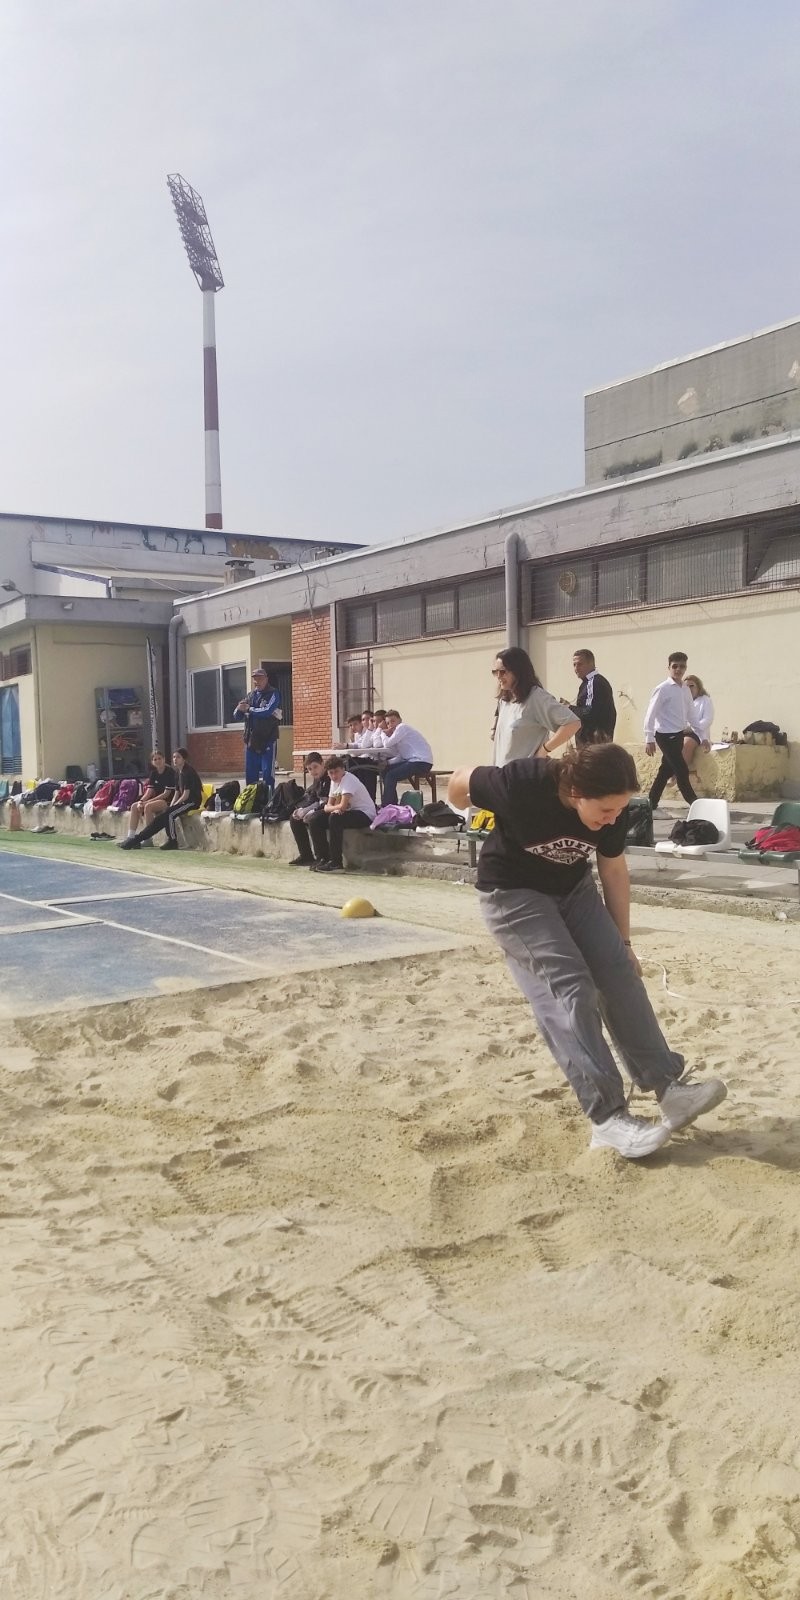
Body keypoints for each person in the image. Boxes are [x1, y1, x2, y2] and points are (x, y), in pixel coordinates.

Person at [447, 743, 726, 1159]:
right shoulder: (522, 783)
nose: (613, 819)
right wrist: (462, 806)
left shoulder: (614, 810)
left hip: (573, 890)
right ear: (577, 792)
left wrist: (624, 944)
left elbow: (612, 870)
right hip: (512, 893)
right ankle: (607, 1118)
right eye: (606, 810)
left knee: (618, 972)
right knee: (572, 988)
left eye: (619, 809)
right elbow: (459, 780)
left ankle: (668, 1089)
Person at [492, 647, 579, 766]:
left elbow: (573, 723)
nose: (498, 676)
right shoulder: (504, 700)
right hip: (502, 774)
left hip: (526, 774)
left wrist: (544, 750)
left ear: (518, 671)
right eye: (495, 672)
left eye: (502, 671)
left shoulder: (536, 698)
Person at [644, 652, 706, 809]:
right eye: (675, 666)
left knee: (665, 770)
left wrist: (703, 736)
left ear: (685, 668)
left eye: (682, 666)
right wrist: (649, 738)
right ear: (669, 667)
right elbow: (650, 714)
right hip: (664, 735)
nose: (678, 669)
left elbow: (692, 714)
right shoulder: (662, 689)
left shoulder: (685, 689)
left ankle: (651, 804)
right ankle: (695, 804)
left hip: (678, 735)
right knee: (681, 769)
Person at [119, 749, 204, 851]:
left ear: (184, 759)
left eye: (178, 757)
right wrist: (172, 806)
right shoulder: (178, 772)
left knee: (170, 814)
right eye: (174, 757)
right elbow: (177, 792)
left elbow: (186, 795)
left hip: (191, 802)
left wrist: (173, 806)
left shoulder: (188, 772)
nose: (175, 759)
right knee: (165, 815)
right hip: (183, 801)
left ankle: (172, 841)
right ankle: (135, 839)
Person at [308, 755, 377, 872]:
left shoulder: (349, 780)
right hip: (349, 812)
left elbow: (342, 806)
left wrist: (328, 808)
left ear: (343, 769)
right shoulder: (333, 781)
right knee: (314, 819)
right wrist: (329, 808)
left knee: (335, 818)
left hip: (365, 814)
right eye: (331, 773)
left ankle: (336, 862)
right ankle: (322, 858)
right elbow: (331, 803)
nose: (334, 776)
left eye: (336, 772)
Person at [232, 667, 283, 792]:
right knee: (250, 775)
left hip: (268, 739)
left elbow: (267, 711)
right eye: (255, 679)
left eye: (260, 678)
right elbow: (237, 715)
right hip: (251, 741)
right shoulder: (250, 695)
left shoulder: (273, 693)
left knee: (267, 775)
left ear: (266, 679)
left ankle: (268, 800)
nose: (257, 682)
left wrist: (249, 709)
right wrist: (239, 708)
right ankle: (251, 799)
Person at [377, 711, 434, 806]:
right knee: (385, 771)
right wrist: (388, 763)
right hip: (413, 761)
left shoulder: (402, 727)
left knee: (391, 775)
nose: (390, 725)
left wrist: (383, 733)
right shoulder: (399, 733)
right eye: (388, 723)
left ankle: (387, 805)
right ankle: (392, 803)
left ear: (400, 720)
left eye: (393, 721)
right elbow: (402, 756)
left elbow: (387, 743)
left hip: (422, 762)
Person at [123, 751, 176, 846]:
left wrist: (147, 802)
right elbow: (149, 791)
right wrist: (141, 801)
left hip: (168, 801)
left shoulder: (170, 772)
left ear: (164, 759)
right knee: (134, 806)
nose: (157, 761)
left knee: (148, 806)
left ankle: (148, 839)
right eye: (155, 759)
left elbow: (166, 794)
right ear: (152, 762)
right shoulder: (153, 773)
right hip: (155, 800)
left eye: (159, 758)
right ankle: (130, 837)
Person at [288, 753, 330, 866]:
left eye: (315, 767)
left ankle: (323, 857)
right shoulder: (317, 779)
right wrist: (302, 810)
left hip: (331, 809)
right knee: (294, 819)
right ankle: (306, 855)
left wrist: (312, 811)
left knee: (314, 819)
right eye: (310, 769)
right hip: (321, 808)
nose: (313, 771)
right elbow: (313, 798)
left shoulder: (330, 776)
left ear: (322, 764)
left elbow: (328, 801)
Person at [569, 649, 617, 744]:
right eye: (574, 665)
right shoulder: (590, 682)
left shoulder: (594, 683)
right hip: (595, 744)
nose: (576, 668)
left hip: (593, 744)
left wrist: (569, 708)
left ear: (590, 664)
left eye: (580, 664)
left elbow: (588, 713)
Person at [682, 674, 714, 777]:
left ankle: (676, 775)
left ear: (698, 687)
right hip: (682, 731)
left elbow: (707, 719)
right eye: (686, 686)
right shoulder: (681, 702)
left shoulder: (705, 700)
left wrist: (692, 728)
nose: (689, 689)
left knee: (686, 743)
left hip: (697, 733)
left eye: (692, 686)